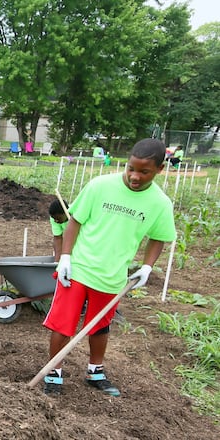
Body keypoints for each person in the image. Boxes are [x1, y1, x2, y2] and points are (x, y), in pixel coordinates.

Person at [43, 138, 176, 397]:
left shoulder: (160, 203)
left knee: (100, 326)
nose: (135, 176)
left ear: (160, 170)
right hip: (79, 268)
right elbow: (75, 222)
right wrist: (66, 257)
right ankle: (54, 373)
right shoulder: (100, 186)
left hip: (113, 275)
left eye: (144, 172)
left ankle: (95, 371)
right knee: (63, 324)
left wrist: (148, 267)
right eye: (131, 168)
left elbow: (159, 237)